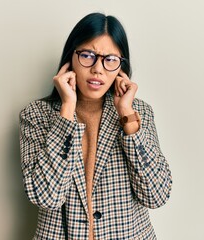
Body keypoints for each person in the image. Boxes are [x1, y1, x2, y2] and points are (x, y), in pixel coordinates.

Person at [19, 12, 172, 240]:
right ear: (71, 58)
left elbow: (157, 195)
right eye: (88, 55)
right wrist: (67, 109)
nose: (98, 69)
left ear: (121, 67)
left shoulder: (139, 113)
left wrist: (127, 116)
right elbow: (46, 197)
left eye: (110, 59)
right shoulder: (36, 115)